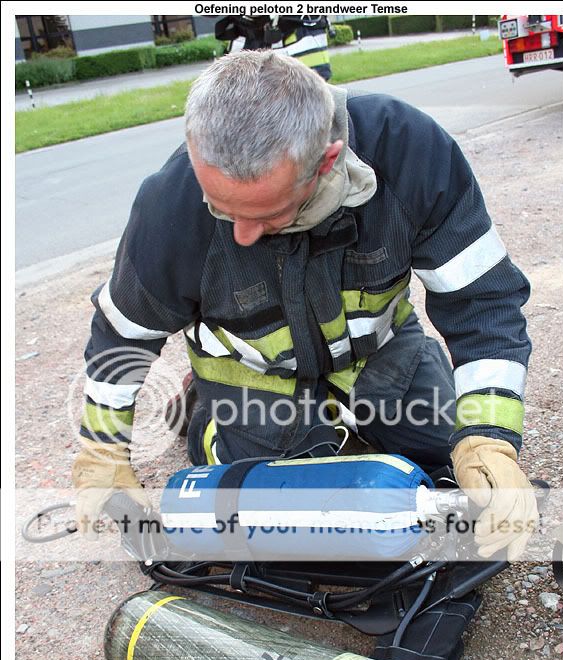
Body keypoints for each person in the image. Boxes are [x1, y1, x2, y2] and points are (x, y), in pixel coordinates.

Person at [72, 51, 538, 559]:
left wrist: (489, 437)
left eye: (267, 214)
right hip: (252, 381)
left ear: (327, 161)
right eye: (222, 210)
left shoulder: (409, 155)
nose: (242, 235)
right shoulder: (172, 205)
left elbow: (482, 300)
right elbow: (122, 334)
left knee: (447, 454)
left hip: (380, 361)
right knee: (285, 510)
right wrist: (103, 451)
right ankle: (206, 415)